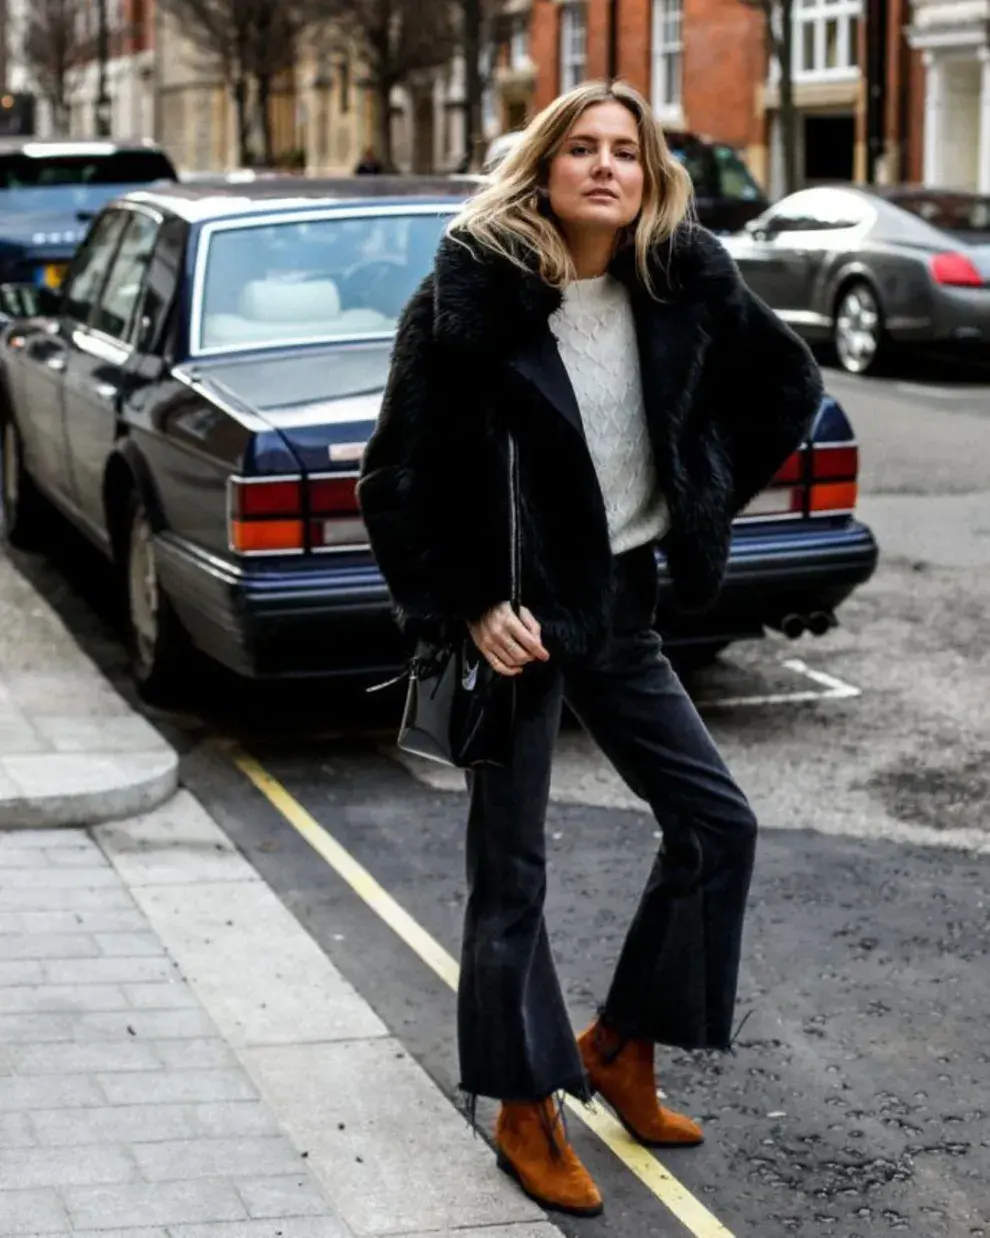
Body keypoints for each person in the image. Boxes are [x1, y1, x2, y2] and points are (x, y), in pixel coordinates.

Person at [357, 80, 822, 1218]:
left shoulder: (677, 284)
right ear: (544, 166)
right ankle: (524, 1102)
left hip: (620, 602)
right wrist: (467, 601)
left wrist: (694, 494)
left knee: (717, 823)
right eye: (582, 148)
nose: (606, 166)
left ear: (651, 172)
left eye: (627, 149)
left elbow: (785, 387)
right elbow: (395, 480)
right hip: (514, 622)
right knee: (511, 871)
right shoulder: (471, 300)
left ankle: (618, 1041)